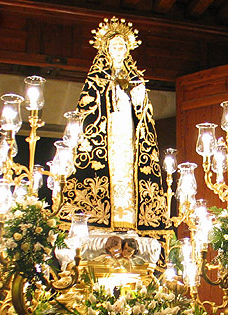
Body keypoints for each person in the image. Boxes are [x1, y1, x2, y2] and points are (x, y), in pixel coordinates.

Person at [65, 17, 167, 231]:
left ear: (127, 49)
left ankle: (131, 220)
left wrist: (139, 100)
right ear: (107, 49)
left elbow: (144, 115)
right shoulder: (97, 78)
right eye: (115, 45)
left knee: (129, 170)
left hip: (128, 131)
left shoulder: (136, 78)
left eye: (122, 45)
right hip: (106, 133)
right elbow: (88, 109)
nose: (119, 49)